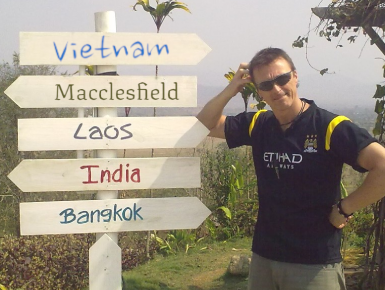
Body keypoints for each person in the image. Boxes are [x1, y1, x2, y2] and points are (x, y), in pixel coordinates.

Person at [196, 47, 385, 290]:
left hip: (314, 263)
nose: (276, 89)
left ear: (295, 76)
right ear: (259, 92)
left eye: (282, 79)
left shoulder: (329, 126)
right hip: (265, 257)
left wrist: (345, 207)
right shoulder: (259, 123)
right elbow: (205, 125)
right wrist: (232, 89)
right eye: (265, 85)